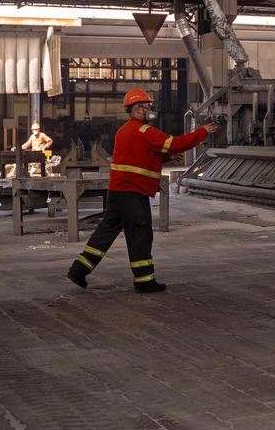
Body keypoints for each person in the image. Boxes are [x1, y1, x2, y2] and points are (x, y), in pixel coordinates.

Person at [66, 88, 216, 293]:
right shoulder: (145, 131)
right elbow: (177, 143)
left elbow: (140, 157)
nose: (151, 110)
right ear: (138, 109)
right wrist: (203, 132)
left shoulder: (123, 131)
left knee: (105, 233)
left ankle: (78, 270)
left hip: (117, 192)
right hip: (133, 193)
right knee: (140, 234)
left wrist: (168, 157)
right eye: (148, 106)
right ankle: (144, 280)